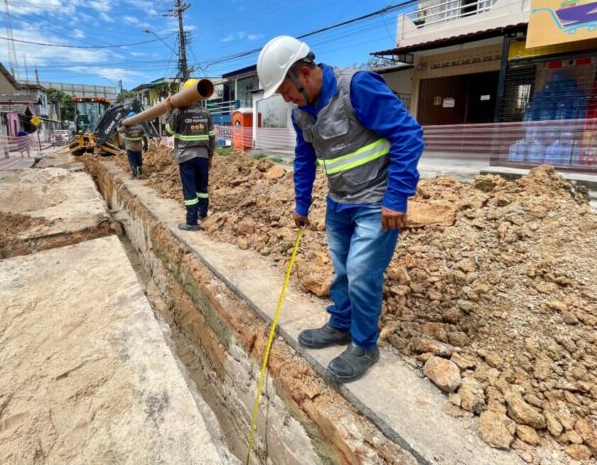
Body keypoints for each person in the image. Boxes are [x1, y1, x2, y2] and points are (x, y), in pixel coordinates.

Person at [256, 36, 424, 384]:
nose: (285, 99)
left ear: (303, 73)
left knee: (362, 271)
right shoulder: (301, 113)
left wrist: (397, 197)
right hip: (339, 202)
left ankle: (365, 345)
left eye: (286, 90)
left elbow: (408, 134)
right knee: (342, 270)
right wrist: (301, 203)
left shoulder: (357, 88)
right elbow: (304, 158)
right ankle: (342, 324)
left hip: (376, 201)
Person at [163, 78, 216, 231]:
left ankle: (192, 222)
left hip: (186, 157)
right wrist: (210, 156)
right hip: (203, 156)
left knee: (190, 189)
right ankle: (203, 213)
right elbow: (211, 137)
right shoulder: (206, 113)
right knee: (202, 187)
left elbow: (168, 132)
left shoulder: (179, 112)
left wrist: (169, 111)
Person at [121, 112, 149, 178]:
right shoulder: (140, 127)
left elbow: (119, 130)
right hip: (138, 148)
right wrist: (146, 145)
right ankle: (140, 172)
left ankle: (134, 174)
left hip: (130, 148)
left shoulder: (126, 128)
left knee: (132, 160)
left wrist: (123, 124)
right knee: (139, 160)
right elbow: (145, 137)